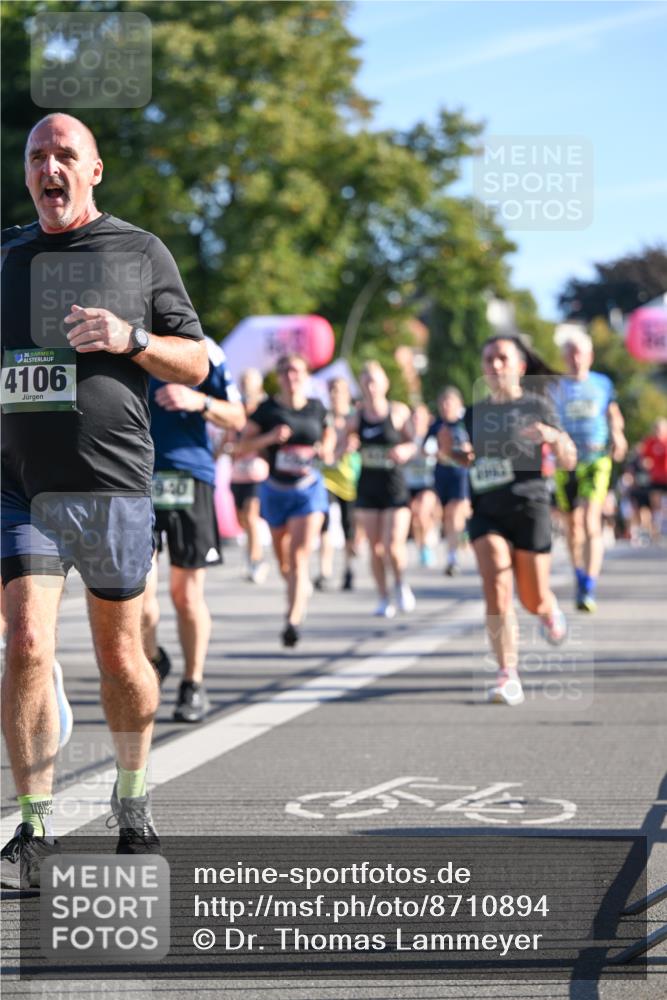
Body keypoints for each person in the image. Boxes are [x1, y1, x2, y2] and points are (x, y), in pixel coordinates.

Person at [1, 113, 208, 887]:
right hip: (20, 488)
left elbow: (194, 362)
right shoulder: (7, 255)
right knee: (26, 641)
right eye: (37, 156)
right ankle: (34, 826)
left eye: (64, 155)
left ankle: (132, 796)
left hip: (111, 484)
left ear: (93, 170)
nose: (48, 167)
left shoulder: (138, 252)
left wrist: (131, 339)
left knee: (120, 657)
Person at [440, 336, 576, 706]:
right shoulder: (473, 414)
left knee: (532, 598)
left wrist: (553, 437)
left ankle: (548, 610)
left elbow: (569, 458)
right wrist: (453, 452)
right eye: (489, 359)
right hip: (487, 510)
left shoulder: (537, 405)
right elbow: (463, 457)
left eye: (502, 358)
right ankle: (507, 674)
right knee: (497, 583)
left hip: (529, 507)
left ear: (519, 366)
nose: (495, 365)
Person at [141, 337, 245, 723]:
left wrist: (198, 401)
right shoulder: (124, 337)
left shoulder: (204, 348)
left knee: (186, 595)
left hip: (190, 476)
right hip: (136, 476)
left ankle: (193, 683)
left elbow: (238, 417)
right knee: (137, 595)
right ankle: (153, 660)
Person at [238, 353, 335, 647]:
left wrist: (326, 448)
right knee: (284, 562)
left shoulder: (316, 407)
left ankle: (292, 620)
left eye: (297, 371)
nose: (291, 377)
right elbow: (240, 445)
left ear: (306, 375)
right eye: (286, 372)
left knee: (298, 555)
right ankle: (298, 588)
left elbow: (328, 434)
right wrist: (269, 439)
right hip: (275, 489)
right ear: (279, 377)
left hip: (308, 490)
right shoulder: (266, 410)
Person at [551, 329, 627, 612]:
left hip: (596, 459)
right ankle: (580, 574)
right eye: (570, 353)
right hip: (566, 463)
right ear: (564, 357)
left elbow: (613, 414)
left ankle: (589, 585)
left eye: (580, 353)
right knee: (573, 526)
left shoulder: (602, 384)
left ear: (590, 356)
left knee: (589, 519)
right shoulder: (555, 387)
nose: (575, 359)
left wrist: (618, 435)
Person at [349, 361, 417, 618]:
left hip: (394, 486)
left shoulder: (397, 412)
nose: (370, 387)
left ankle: (400, 583)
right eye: (366, 382)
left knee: (393, 546)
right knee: (375, 547)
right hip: (368, 486)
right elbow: (341, 443)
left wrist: (405, 450)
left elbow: (414, 443)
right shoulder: (356, 417)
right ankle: (383, 596)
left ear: (385, 384)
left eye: (374, 382)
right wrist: (342, 447)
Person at [225, 368, 270, 583]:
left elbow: (267, 443)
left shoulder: (264, 413)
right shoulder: (236, 410)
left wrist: (245, 446)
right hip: (237, 474)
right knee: (242, 519)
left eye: (250, 383)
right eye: (243, 383)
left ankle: (255, 561)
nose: (246, 388)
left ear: (259, 387)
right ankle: (253, 554)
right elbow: (227, 441)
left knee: (251, 518)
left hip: (257, 473)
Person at [316, 377, 360, 591]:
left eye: (340, 391)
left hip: (350, 479)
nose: (335, 395)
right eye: (332, 390)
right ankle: (324, 571)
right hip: (327, 479)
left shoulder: (355, 417)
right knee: (326, 522)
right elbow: (323, 449)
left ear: (348, 394)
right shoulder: (324, 417)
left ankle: (349, 569)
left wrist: (342, 449)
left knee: (349, 528)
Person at [431, 387, 471, 576]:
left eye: (449, 402)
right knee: (446, 515)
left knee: (455, 512)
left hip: (460, 474)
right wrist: (434, 451)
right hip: (442, 474)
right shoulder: (437, 425)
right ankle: (455, 543)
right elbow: (425, 446)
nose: (446, 406)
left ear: (458, 404)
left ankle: (452, 558)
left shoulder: (465, 424)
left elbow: (475, 446)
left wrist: (467, 448)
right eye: (443, 403)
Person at [404, 403, 438, 568]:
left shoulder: (432, 437)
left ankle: (426, 547)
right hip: (409, 483)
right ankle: (421, 545)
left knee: (422, 512)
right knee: (415, 518)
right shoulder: (405, 437)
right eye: (414, 416)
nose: (416, 419)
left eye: (420, 416)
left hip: (427, 483)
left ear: (427, 418)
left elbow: (440, 455)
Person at [639, 417, 667, 541]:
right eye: (656, 429)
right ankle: (656, 531)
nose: (658, 431)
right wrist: (646, 463)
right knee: (655, 504)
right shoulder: (650, 442)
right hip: (656, 478)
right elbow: (644, 459)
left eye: (660, 429)